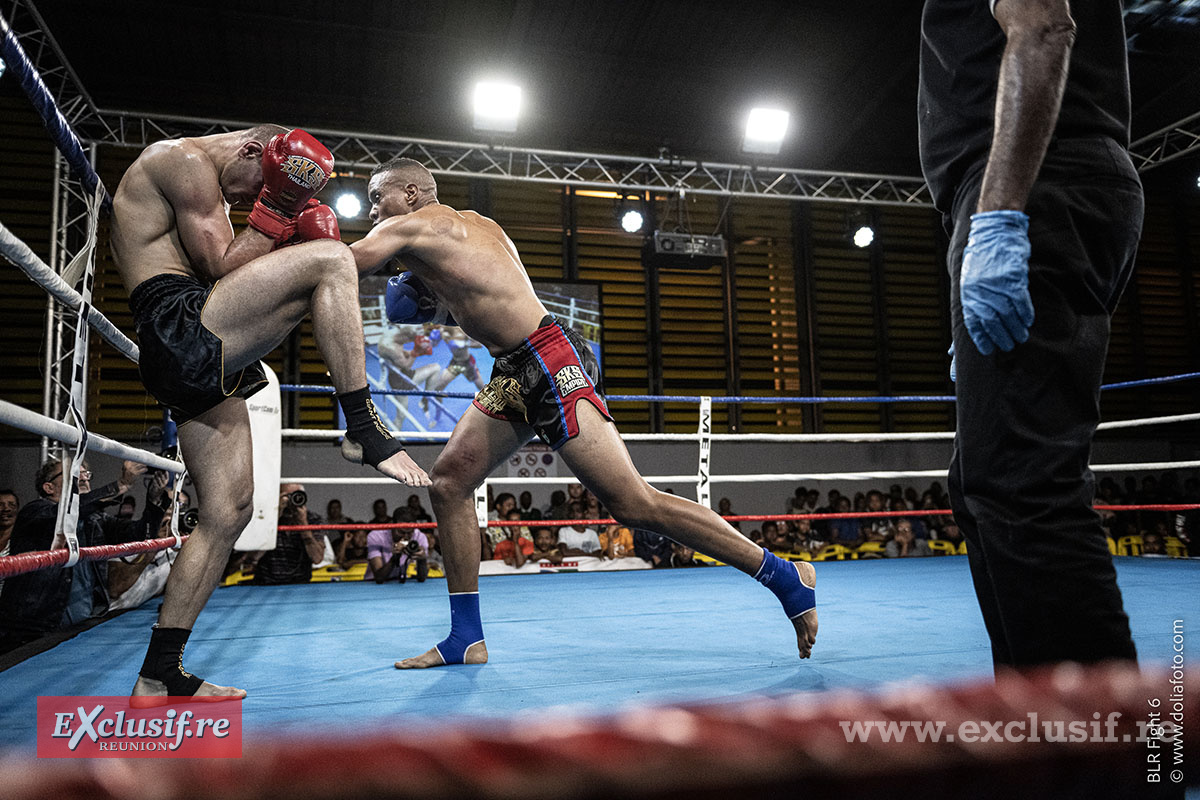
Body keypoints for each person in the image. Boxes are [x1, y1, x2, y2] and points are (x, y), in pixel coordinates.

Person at [350, 157, 817, 669]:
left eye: (378, 197)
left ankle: (781, 574)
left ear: (413, 193)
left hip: (548, 362)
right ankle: (466, 638)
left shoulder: (413, 223)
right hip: (516, 366)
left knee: (634, 504)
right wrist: (434, 304)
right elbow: (490, 299)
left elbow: (345, 264)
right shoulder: (474, 227)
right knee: (450, 482)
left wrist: (286, 237)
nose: (373, 211)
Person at [110, 125, 431, 703]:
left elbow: (236, 265)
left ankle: (159, 674)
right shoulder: (178, 160)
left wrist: (280, 216)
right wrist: (279, 206)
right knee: (331, 261)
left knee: (228, 513)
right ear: (256, 151)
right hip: (182, 324)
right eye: (254, 186)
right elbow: (219, 267)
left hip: (200, 346)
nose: (240, 202)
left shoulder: (213, 183)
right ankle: (362, 426)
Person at [918, 0, 1139, 668]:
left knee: (1019, 484)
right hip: (1030, 185)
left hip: (1034, 182)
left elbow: (1044, 25)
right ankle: (1042, 738)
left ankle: (1100, 757)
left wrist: (1001, 216)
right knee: (984, 484)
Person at [0, 460, 167, 654]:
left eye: (86, 474)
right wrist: (119, 485)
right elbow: (64, 513)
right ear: (49, 487)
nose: (84, 478)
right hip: (33, 630)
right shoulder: (35, 512)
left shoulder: (95, 519)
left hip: (81, 627)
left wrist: (153, 500)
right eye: (74, 474)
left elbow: (139, 536)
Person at [248, 483, 325, 585]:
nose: (291, 500)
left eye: (295, 495)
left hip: (300, 584)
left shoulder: (313, 519)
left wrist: (303, 524)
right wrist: (275, 516)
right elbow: (254, 556)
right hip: (265, 583)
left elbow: (317, 559)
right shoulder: (264, 519)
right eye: (286, 496)